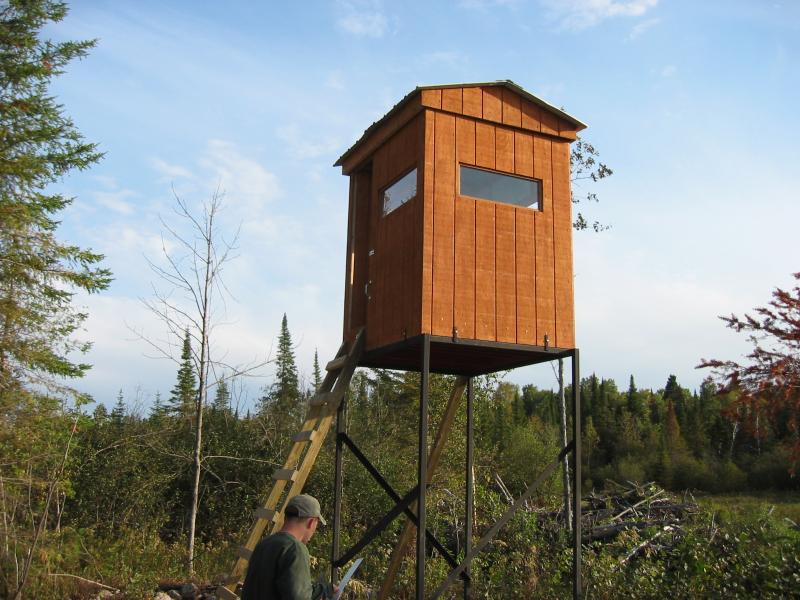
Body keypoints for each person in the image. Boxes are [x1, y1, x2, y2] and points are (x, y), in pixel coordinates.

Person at [241, 494, 337, 600]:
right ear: (311, 522)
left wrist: (319, 590)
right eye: (316, 523)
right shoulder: (295, 549)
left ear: (286, 517)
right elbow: (300, 597)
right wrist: (325, 592)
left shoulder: (264, 544)